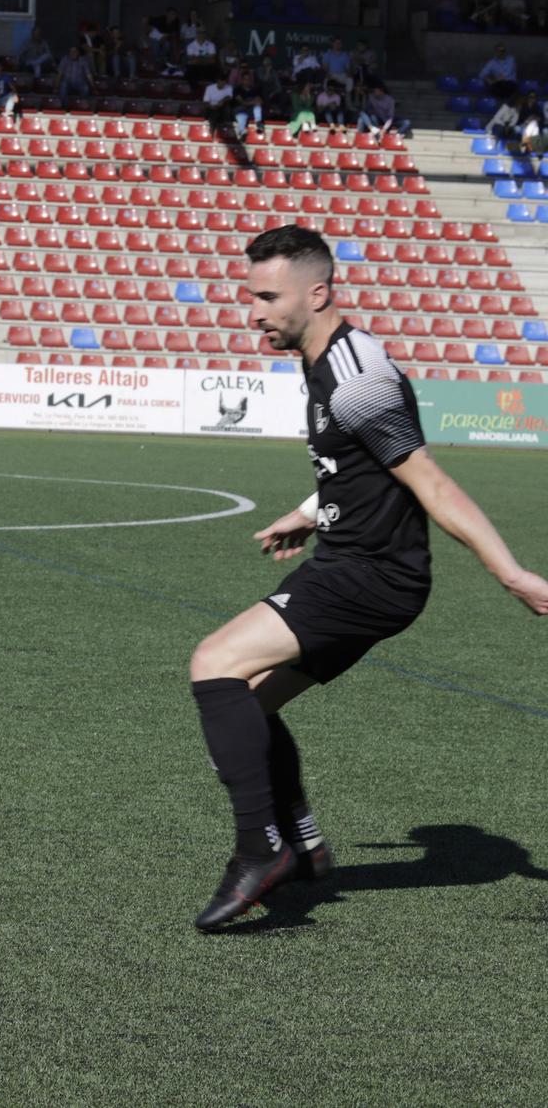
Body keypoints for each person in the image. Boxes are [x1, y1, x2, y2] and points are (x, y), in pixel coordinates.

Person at [185, 224, 548, 930]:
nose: (252, 311)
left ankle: (259, 853)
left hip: (371, 576)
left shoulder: (355, 379)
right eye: (249, 295)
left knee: (213, 664)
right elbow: (357, 471)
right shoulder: (325, 358)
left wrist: (510, 574)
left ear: (317, 293)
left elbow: (431, 483)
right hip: (356, 563)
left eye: (266, 296)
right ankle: (306, 847)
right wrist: (307, 510)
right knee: (250, 707)